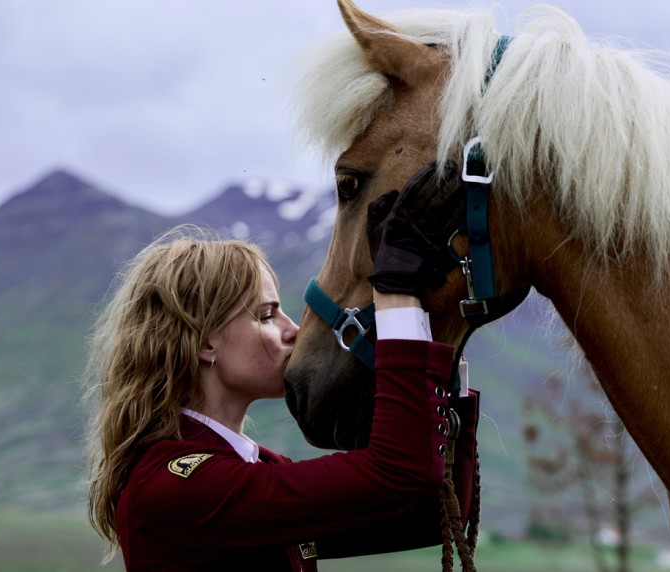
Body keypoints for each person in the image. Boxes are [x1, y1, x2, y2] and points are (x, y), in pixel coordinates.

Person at [83, 167, 478, 571]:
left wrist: (443, 342)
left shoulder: (249, 472)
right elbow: (395, 470)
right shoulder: (177, 487)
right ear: (204, 342)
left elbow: (429, 516)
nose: (293, 331)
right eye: (266, 315)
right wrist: (396, 296)